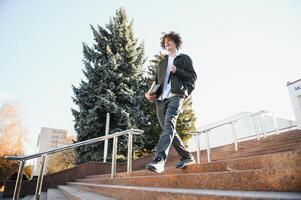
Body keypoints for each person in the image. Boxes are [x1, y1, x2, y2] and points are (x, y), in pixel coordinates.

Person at [144, 31, 197, 173]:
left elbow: (192, 78)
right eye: (165, 41)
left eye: (169, 40)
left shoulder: (184, 58)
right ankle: (187, 156)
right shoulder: (162, 63)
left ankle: (159, 160)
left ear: (175, 42)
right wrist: (149, 93)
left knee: (169, 125)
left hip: (176, 95)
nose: (167, 42)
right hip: (161, 99)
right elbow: (156, 81)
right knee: (168, 129)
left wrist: (177, 70)